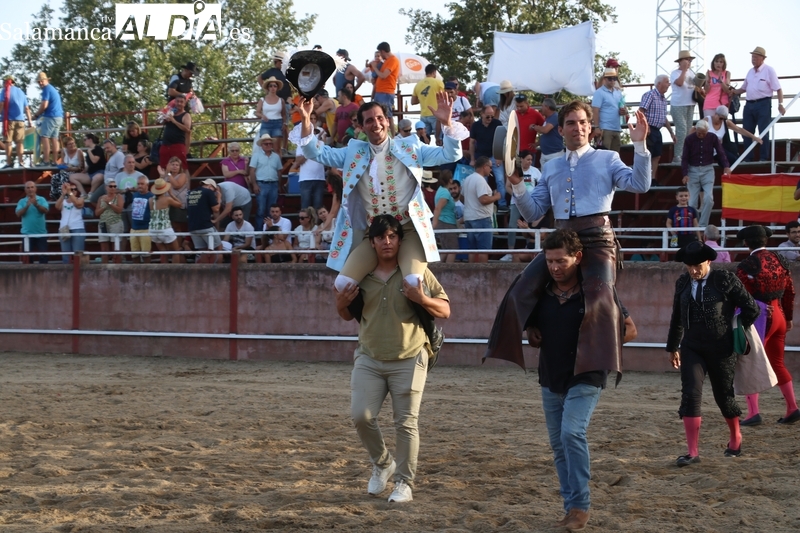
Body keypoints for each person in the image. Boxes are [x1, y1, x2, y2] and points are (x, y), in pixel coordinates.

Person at [485, 101, 651, 377]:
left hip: (598, 239)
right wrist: (517, 184)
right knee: (520, 289)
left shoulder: (608, 158)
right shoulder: (550, 167)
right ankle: (536, 330)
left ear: (590, 127)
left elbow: (640, 185)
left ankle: (612, 340)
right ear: (560, 129)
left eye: (584, 122)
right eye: (572, 123)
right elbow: (534, 213)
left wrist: (640, 146)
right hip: (561, 239)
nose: (579, 128)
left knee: (598, 293)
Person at [292, 92, 465, 294]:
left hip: (407, 228)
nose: (376, 124)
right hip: (373, 233)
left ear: (387, 121)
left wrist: (448, 125)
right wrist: (305, 120)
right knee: (342, 285)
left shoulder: (411, 146)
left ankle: (424, 321)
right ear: (362, 126)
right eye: (369, 120)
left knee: (413, 281)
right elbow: (315, 152)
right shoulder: (353, 152)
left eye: (380, 118)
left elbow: (451, 154)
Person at [524, 229, 637, 531]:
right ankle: (570, 507)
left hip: (586, 375)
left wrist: (601, 340)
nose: (555, 267)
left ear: (578, 258)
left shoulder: (598, 291)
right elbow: (530, 326)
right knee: (559, 446)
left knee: (572, 433)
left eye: (561, 261)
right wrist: (530, 331)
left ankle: (580, 506)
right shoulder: (541, 292)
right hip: (551, 376)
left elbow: (630, 330)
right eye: (549, 261)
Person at [333, 215, 450, 504]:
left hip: (410, 356)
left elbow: (445, 310)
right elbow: (347, 314)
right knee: (361, 416)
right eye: (381, 237)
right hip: (369, 357)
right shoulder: (360, 275)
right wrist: (340, 304)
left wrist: (421, 298)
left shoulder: (416, 273)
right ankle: (384, 462)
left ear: (400, 240)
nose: (387, 242)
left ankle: (404, 483)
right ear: (371, 242)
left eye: (392, 236)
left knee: (406, 423)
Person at [667, 241, 759, 466]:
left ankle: (735, 437)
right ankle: (692, 452)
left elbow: (751, 308)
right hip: (692, 347)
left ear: (708, 261)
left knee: (723, 395)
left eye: (697, 265)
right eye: (689, 266)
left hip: (721, 347)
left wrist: (736, 328)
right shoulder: (683, 282)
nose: (693, 271)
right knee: (690, 394)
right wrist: (672, 347)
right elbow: (677, 317)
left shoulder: (724, 279)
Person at [736, 225, 800, 426]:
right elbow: (790, 292)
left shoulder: (747, 265)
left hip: (760, 317)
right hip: (779, 314)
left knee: (750, 362)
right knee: (777, 362)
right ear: (766, 240)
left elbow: (742, 297)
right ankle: (792, 407)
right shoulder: (781, 260)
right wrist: (788, 317)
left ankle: (753, 412)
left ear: (746, 243)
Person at [734, 47, 786, 162]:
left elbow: (778, 88)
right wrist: (733, 92)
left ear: (762, 58)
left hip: (763, 104)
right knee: (746, 131)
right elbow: (744, 88)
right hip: (749, 104)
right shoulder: (750, 71)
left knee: (763, 131)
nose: (753, 59)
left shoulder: (769, 70)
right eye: (752, 57)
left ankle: (763, 157)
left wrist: (780, 104)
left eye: (756, 57)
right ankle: (748, 157)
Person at [681, 120, 730, 228]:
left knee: (709, 199)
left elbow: (721, 153)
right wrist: (685, 173)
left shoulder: (712, 137)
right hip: (692, 170)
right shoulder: (689, 139)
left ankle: (702, 224)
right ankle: (695, 224)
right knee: (692, 202)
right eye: (699, 133)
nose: (701, 135)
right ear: (696, 130)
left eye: (703, 133)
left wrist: (726, 166)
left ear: (707, 131)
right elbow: (685, 157)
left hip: (708, 169)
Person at [503, 151, 541, 259]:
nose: (530, 162)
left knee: (529, 226)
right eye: (528, 159)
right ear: (521, 159)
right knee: (512, 225)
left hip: (531, 203)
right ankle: (510, 252)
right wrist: (516, 196)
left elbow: (542, 185)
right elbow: (507, 187)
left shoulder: (535, 171)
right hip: (516, 202)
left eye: (531, 160)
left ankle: (529, 248)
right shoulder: (513, 171)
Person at [462, 157, 500, 263]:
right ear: (484, 167)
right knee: (484, 250)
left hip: (469, 218)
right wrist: (496, 197)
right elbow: (483, 199)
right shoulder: (480, 180)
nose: (491, 170)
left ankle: (471, 274)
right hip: (481, 218)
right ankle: (483, 275)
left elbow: (461, 197)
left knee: (472, 250)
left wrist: (471, 204)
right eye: (490, 167)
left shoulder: (467, 179)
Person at [639, 75, 676, 179]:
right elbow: (641, 111)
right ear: (659, 83)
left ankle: (652, 178)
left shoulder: (663, 99)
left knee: (657, 155)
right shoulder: (650, 95)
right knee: (647, 155)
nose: (669, 84)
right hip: (649, 129)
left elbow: (664, 118)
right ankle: (645, 178)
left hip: (657, 130)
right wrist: (647, 127)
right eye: (666, 82)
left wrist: (671, 133)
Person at [470, 107, 507, 211]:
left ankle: (502, 203)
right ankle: (485, 204)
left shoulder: (497, 123)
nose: (490, 118)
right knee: (482, 181)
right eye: (488, 116)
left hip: (495, 156)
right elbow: (472, 143)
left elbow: (503, 141)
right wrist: (472, 159)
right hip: (481, 158)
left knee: (500, 180)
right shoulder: (475, 126)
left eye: (492, 116)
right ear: (481, 114)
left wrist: (500, 156)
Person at [670, 51, 697, 164]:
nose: (688, 62)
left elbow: (696, 85)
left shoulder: (692, 73)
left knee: (688, 131)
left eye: (690, 60)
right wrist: (684, 70)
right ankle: (677, 155)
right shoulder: (675, 73)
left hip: (690, 104)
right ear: (680, 61)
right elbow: (680, 83)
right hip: (678, 104)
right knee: (681, 130)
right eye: (686, 60)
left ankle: (685, 154)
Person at [249, 134, 283, 223]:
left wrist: (279, 185)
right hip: (261, 184)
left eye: (270, 144)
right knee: (261, 210)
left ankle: (269, 232)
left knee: (271, 211)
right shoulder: (256, 155)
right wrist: (255, 184)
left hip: (273, 184)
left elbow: (279, 172)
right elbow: (252, 171)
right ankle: (261, 234)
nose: (268, 145)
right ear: (261, 145)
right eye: (266, 144)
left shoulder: (276, 156)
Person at [147, 178, 182, 264]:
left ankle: (164, 272)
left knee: (163, 252)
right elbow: (180, 204)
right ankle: (174, 272)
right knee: (176, 251)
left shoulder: (150, 200)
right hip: (165, 228)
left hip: (153, 229)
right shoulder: (167, 199)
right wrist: (171, 193)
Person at [187, 178, 222, 263]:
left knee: (203, 251)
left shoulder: (190, 193)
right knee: (219, 248)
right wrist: (219, 198)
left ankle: (205, 272)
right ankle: (219, 271)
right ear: (210, 186)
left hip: (192, 227)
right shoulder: (208, 192)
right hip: (205, 225)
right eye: (214, 190)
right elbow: (216, 209)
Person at [1, 75, 32, 168]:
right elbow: (27, 108)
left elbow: (2, 104)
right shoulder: (21, 92)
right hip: (21, 120)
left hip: (9, 121)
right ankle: (21, 162)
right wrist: (30, 120)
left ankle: (9, 163)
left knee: (8, 142)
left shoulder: (4, 91)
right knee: (19, 142)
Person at [32, 72, 63, 167]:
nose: (40, 83)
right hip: (59, 117)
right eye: (39, 82)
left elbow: (44, 105)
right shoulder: (52, 89)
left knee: (44, 137)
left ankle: (46, 161)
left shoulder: (46, 90)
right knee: (54, 138)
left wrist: (36, 115)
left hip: (50, 116)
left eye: (41, 81)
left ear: (46, 80)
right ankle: (54, 161)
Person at [15, 180, 49, 263]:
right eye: (28, 188)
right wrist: (27, 206)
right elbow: (18, 214)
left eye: (32, 187)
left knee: (43, 258)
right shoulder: (22, 201)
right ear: (25, 190)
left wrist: (36, 204)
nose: (30, 189)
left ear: (35, 188)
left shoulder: (42, 199)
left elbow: (45, 210)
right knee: (27, 259)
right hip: (27, 234)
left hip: (41, 233)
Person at [591, 68, 625, 152]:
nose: (613, 80)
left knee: (615, 157)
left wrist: (624, 111)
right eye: (610, 78)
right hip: (604, 129)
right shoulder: (599, 92)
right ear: (604, 79)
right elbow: (595, 110)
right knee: (604, 156)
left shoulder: (618, 92)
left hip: (616, 128)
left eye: (614, 78)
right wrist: (597, 127)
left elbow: (623, 107)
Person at [370, 42, 400, 133]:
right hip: (380, 92)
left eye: (380, 52)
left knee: (387, 114)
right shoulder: (387, 61)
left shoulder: (393, 60)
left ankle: (392, 135)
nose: (379, 55)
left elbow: (384, 75)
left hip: (386, 92)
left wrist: (375, 68)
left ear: (383, 51)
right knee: (379, 114)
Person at [291, 131, 326, 210]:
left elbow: (326, 159)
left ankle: (317, 223)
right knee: (305, 208)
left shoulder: (321, 143)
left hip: (319, 179)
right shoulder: (301, 144)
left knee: (318, 208)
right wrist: (309, 150)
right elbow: (298, 162)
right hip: (305, 179)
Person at [94, 179, 125, 264]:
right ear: (106, 187)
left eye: (115, 186)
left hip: (115, 223)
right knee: (104, 249)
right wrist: (104, 206)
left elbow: (119, 210)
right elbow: (96, 213)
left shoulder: (119, 197)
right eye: (111, 186)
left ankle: (116, 268)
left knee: (116, 248)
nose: (113, 188)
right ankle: (104, 268)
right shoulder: (101, 198)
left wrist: (109, 203)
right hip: (103, 224)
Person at [431, 170, 459, 263]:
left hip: (443, 222)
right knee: (453, 249)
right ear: (450, 180)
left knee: (446, 250)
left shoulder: (440, 190)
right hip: (447, 223)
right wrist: (434, 224)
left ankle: (439, 268)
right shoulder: (445, 193)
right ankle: (448, 271)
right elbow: (438, 208)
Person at [159, 93, 192, 170]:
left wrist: (174, 121)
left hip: (178, 145)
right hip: (165, 144)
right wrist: (162, 116)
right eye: (177, 101)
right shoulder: (170, 113)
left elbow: (187, 129)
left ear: (184, 103)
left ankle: (184, 182)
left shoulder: (186, 115)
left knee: (182, 168)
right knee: (164, 167)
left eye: (181, 102)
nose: (179, 103)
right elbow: (158, 122)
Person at [255, 77, 288, 156]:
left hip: (278, 123)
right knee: (264, 147)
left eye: (275, 86)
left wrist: (284, 123)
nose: (273, 88)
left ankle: (278, 167)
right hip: (266, 124)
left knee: (277, 149)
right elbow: (257, 112)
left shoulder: (281, 100)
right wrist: (262, 116)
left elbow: (284, 114)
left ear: (277, 88)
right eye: (271, 86)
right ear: (268, 88)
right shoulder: (262, 99)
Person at [55, 182, 85, 263]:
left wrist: (69, 193)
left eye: (75, 189)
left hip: (77, 228)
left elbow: (78, 204)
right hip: (64, 229)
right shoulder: (64, 200)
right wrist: (63, 194)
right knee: (66, 255)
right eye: (71, 189)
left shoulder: (80, 198)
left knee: (78, 254)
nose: (73, 191)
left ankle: (79, 274)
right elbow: (57, 206)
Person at [412, 64, 444, 139]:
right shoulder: (438, 82)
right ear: (434, 72)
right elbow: (443, 98)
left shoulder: (418, 85)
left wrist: (423, 99)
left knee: (424, 139)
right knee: (439, 139)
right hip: (435, 114)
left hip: (423, 114)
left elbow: (413, 101)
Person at [129, 175, 154, 263]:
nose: (140, 186)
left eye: (142, 184)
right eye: (138, 184)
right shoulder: (135, 195)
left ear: (147, 185)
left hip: (145, 229)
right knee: (134, 255)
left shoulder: (151, 196)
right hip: (134, 229)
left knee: (146, 255)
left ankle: (147, 276)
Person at [533, 98, 564, 167]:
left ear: (547, 107)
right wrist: (537, 144)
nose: (542, 108)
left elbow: (545, 130)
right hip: (546, 154)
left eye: (543, 106)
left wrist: (533, 127)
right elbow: (546, 135)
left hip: (554, 154)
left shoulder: (555, 116)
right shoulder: (548, 118)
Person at [702, 54, 733, 119]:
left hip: (721, 104)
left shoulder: (726, 73)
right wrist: (707, 81)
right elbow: (706, 91)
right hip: (709, 103)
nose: (718, 64)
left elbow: (727, 90)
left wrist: (721, 82)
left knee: (721, 126)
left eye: (721, 62)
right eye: (716, 61)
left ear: (723, 64)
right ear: (713, 63)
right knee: (709, 126)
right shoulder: (709, 73)